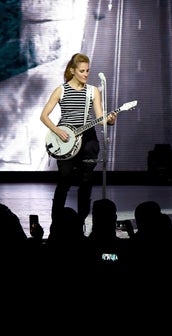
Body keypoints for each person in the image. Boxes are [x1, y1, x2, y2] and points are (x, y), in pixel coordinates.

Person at [39, 53, 116, 223]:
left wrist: (109, 120)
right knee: (64, 181)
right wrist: (58, 132)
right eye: (82, 71)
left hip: (88, 139)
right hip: (65, 139)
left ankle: (81, 220)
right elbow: (44, 116)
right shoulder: (61, 90)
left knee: (86, 181)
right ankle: (57, 222)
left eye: (88, 70)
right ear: (72, 70)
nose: (86, 74)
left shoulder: (92, 91)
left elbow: (99, 117)